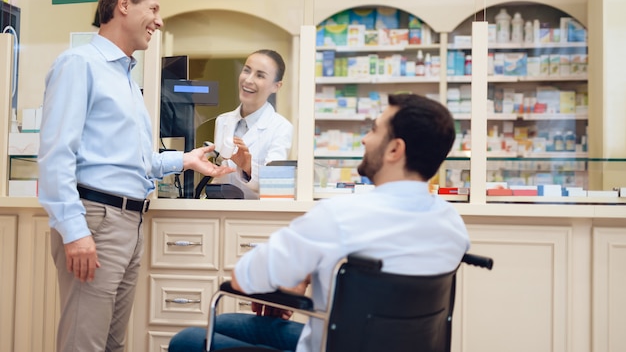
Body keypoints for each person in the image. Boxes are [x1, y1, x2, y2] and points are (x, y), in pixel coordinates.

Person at [169, 93, 471, 352]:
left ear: (395, 150)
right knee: (224, 324)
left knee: (188, 340)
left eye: (375, 130)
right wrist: (310, 275)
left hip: (329, 345)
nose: (365, 139)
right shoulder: (452, 224)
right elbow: (393, 263)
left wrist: (303, 270)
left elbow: (243, 279)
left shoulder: (340, 216)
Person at [37, 0, 234, 352]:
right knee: (85, 343)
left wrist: (185, 160)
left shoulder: (125, 75)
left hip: (130, 221)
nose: (159, 21)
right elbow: (56, 154)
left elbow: (129, 160)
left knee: (113, 343)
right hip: (96, 219)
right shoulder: (80, 64)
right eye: (154, 8)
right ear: (123, 5)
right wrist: (75, 232)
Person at [210, 49, 293, 199]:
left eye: (260, 75)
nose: (248, 80)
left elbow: (275, 186)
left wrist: (248, 167)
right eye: (246, 70)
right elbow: (222, 173)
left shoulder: (281, 127)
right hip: (221, 210)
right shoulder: (223, 121)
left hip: (254, 216)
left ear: (276, 86)